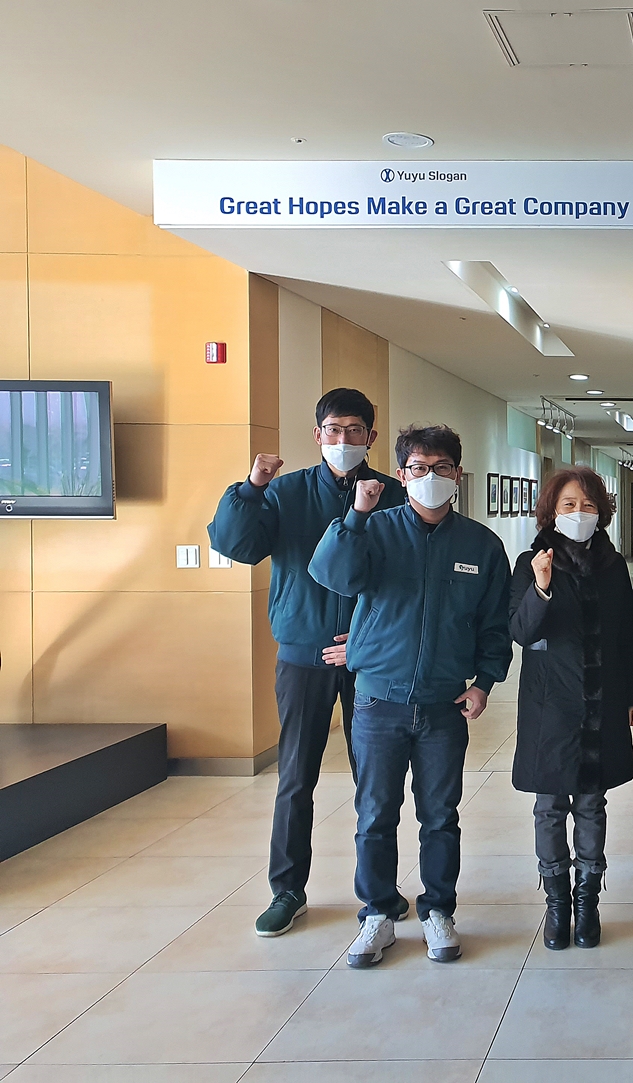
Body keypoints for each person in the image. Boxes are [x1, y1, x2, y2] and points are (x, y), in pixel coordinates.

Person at [309, 424, 512, 968]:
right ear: (402, 474)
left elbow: (494, 624)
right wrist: (356, 513)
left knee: (440, 814)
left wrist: (484, 682)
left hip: (444, 704)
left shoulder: (481, 545)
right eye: (419, 468)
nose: (430, 477)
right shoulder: (374, 529)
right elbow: (332, 575)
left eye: (441, 468)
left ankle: (438, 909)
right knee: (375, 813)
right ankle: (377, 913)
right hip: (379, 700)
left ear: (458, 474)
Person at [207, 387, 405, 939]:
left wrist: (366, 640)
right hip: (304, 653)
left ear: (371, 435)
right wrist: (251, 488)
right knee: (296, 777)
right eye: (334, 430)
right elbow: (237, 546)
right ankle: (287, 890)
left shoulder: (392, 493)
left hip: (370, 659)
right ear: (317, 435)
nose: (344, 440)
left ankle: (380, 890)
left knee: (376, 781)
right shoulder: (285, 492)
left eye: (355, 430)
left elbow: (405, 577)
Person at [509, 466, 633, 951]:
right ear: (551, 511)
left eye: (588, 505)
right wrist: (541, 586)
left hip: (603, 702)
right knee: (549, 806)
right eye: (568, 505)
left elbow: (626, 638)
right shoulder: (531, 562)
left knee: (592, 803)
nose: (579, 513)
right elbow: (521, 632)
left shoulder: (612, 567)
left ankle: (587, 900)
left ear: (601, 512)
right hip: (549, 705)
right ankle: (557, 903)